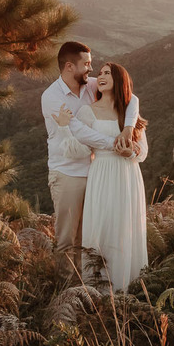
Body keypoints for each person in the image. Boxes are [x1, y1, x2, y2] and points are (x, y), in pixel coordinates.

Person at [42, 42, 139, 272]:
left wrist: (127, 128)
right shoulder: (51, 97)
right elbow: (79, 132)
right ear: (69, 67)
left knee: (88, 237)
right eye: (86, 64)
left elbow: (130, 97)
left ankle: (88, 287)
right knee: (67, 239)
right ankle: (67, 293)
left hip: (95, 173)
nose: (91, 68)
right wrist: (114, 144)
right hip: (67, 173)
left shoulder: (89, 84)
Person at [52, 62, 148, 291]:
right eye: (100, 73)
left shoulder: (130, 114)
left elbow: (142, 152)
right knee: (102, 228)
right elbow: (74, 150)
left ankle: (128, 289)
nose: (101, 76)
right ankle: (100, 290)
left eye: (108, 73)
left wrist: (131, 151)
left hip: (127, 175)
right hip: (102, 175)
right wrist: (66, 128)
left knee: (125, 227)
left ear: (120, 79)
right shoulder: (88, 111)